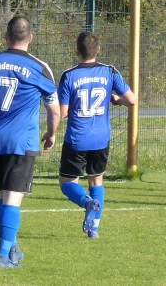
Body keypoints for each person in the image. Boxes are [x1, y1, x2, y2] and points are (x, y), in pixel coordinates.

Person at [0, 16, 61, 269]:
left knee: (3, 194)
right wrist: (51, 133)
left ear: (6, 36)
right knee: (13, 197)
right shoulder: (40, 67)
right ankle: (3, 256)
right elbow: (55, 110)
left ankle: (12, 246)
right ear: (30, 37)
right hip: (21, 141)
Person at [57, 32, 136, 239]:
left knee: (66, 183)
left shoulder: (69, 75)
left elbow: (63, 112)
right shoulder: (109, 71)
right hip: (101, 138)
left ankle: (86, 202)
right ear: (98, 49)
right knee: (96, 180)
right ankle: (94, 230)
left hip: (77, 138)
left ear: (77, 51)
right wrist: (116, 100)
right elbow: (132, 100)